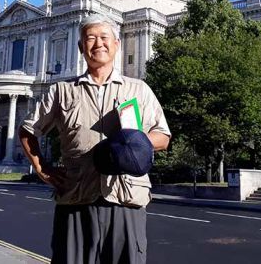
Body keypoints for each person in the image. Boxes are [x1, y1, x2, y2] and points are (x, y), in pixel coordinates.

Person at [19, 14, 170, 263]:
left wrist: (132, 145)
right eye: (90, 38)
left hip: (126, 199)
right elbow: (28, 130)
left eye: (104, 37)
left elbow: (163, 136)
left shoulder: (139, 89)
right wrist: (41, 168)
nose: (98, 44)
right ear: (80, 47)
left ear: (117, 44)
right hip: (76, 196)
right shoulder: (62, 91)